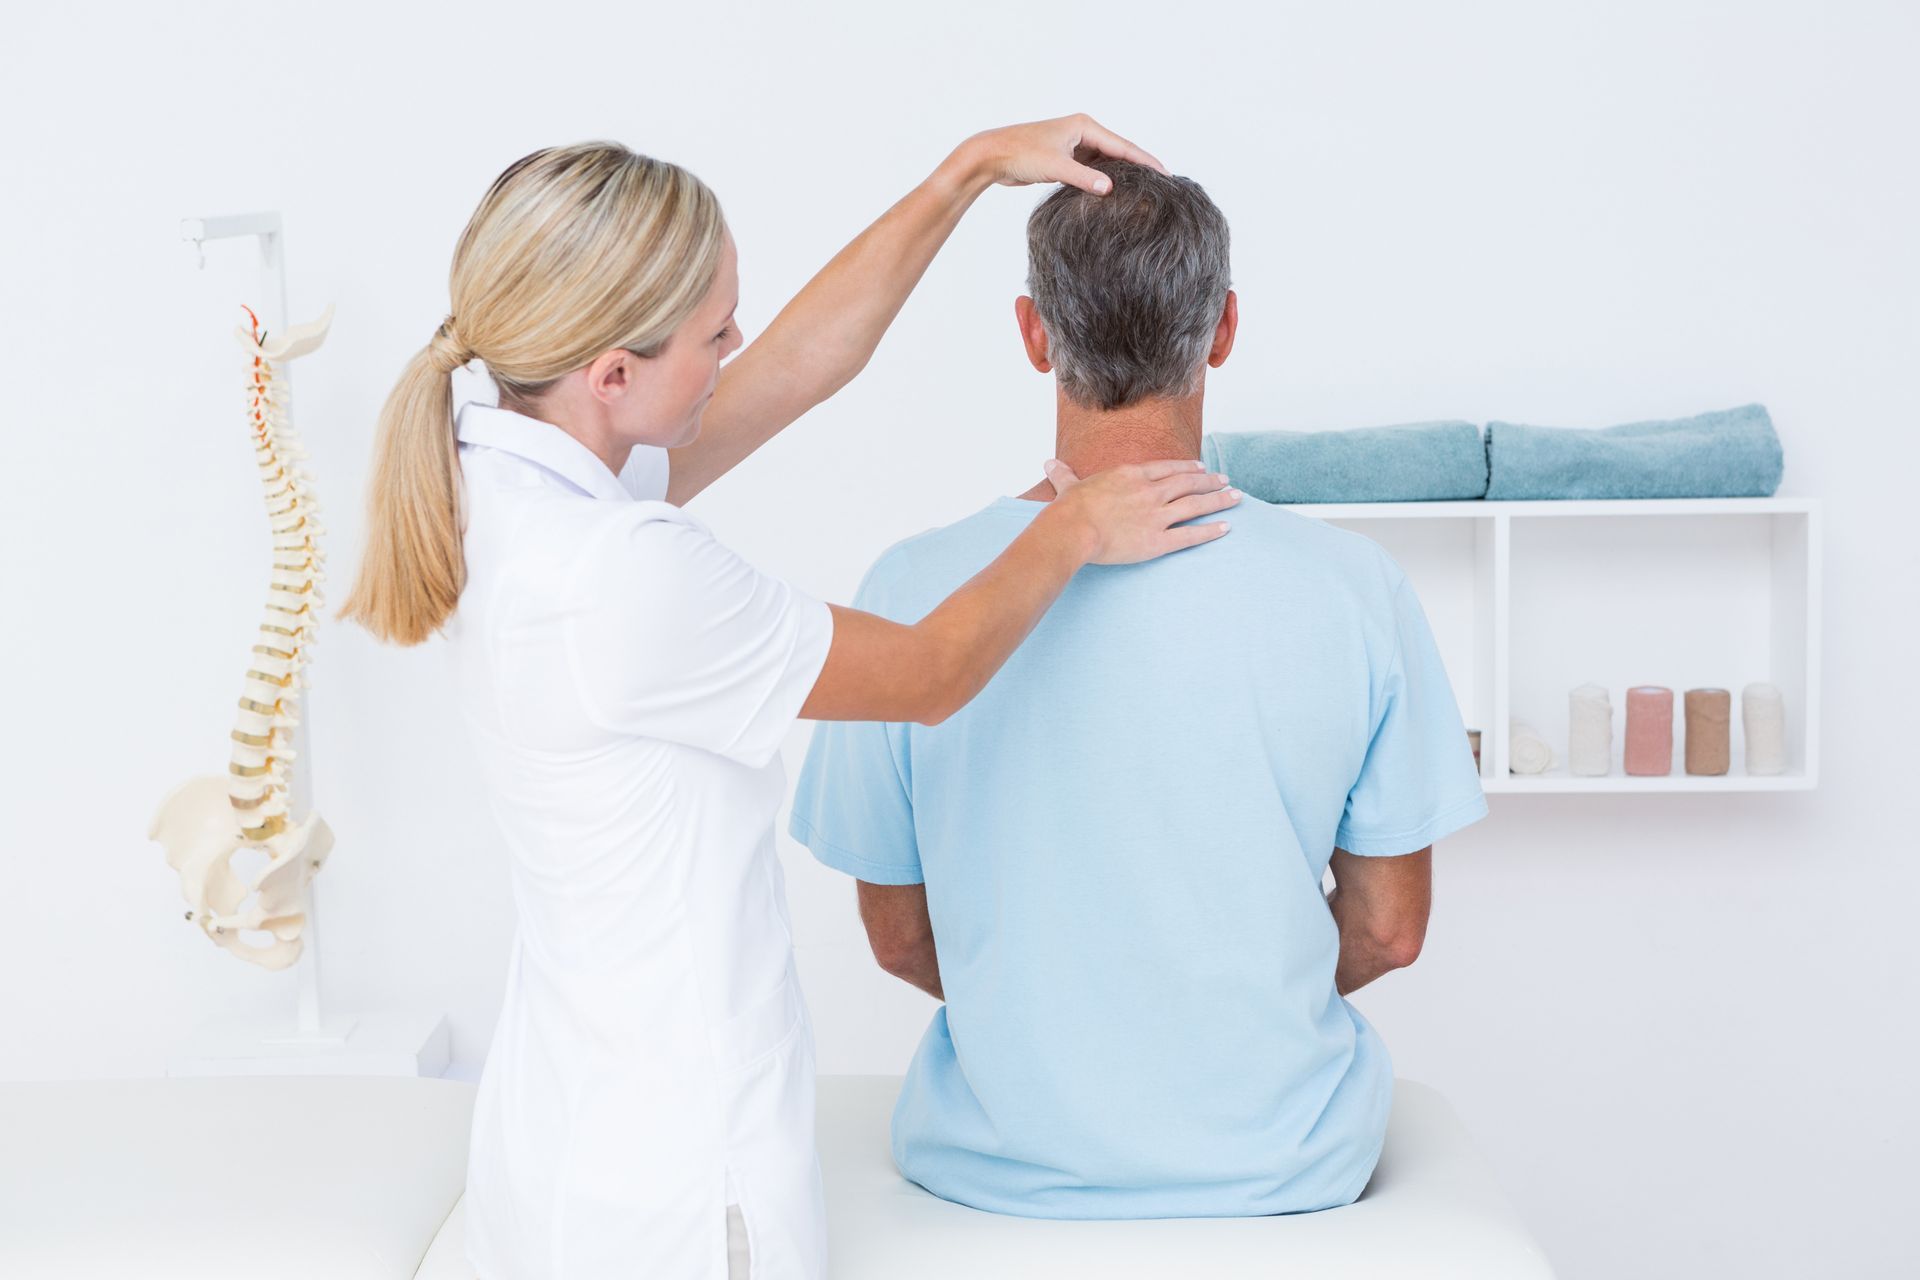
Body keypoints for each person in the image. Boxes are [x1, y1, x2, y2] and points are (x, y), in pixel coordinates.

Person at [339, 126, 1240, 1280]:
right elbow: (926, 675)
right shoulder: (623, 576)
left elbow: (800, 367)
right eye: (716, 331)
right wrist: (1070, 523)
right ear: (613, 372)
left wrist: (959, 175)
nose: (738, 346)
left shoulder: (504, 466)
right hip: (672, 1185)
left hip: (566, 1132)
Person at [789, 158, 1487, 1220]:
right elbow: (1390, 929)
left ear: (1032, 333)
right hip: (1283, 1169)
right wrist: (1216, 1009)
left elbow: (897, 934)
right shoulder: (1355, 591)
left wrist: (1059, 1019)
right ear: (1223, 329)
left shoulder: (911, 593)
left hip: (993, 1175)